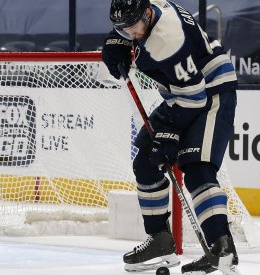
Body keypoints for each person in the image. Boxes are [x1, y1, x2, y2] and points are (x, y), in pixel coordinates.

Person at [101, 0, 239, 274]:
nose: (132, 34)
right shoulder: (145, 10)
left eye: (134, 28)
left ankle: (222, 249)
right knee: (145, 163)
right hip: (183, 94)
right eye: (124, 29)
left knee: (198, 168)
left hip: (211, 93)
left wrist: (168, 134)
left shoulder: (167, 41)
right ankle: (160, 241)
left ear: (148, 14)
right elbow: (128, 30)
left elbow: (195, 98)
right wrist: (115, 40)